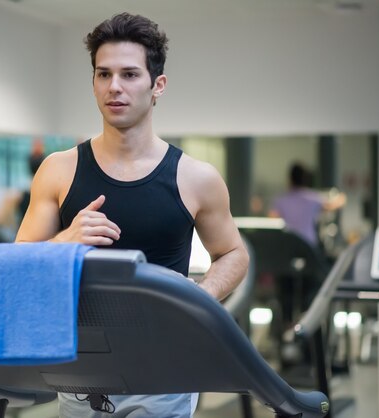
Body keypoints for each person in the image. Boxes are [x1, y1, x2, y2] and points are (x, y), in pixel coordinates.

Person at [15, 12, 249, 418]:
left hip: (164, 367)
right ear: (92, 83)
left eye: (129, 74)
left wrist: (202, 295)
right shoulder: (58, 170)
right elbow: (16, 266)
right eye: (103, 75)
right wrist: (64, 240)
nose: (114, 87)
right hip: (81, 366)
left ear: (158, 85)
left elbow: (234, 254)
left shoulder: (195, 178)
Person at [268, 162, 346, 248]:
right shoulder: (313, 198)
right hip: (308, 245)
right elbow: (333, 205)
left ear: (290, 179)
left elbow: (272, 219)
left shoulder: (281, 200)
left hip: (289, 243)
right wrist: (342, 197)